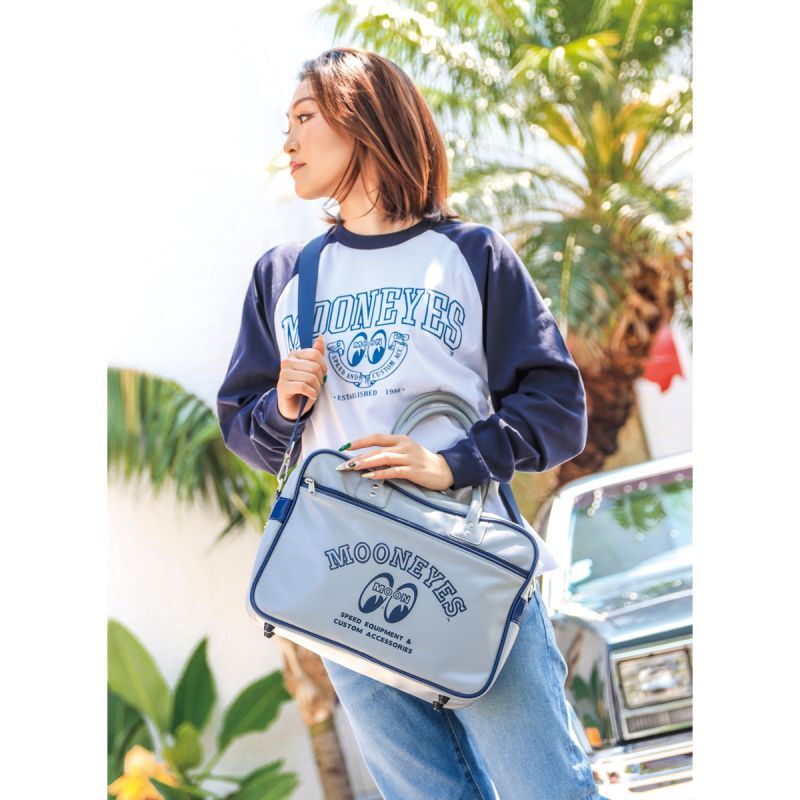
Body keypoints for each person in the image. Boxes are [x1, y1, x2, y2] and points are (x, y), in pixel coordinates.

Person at [217, 47, 608, 800]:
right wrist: (283, 405)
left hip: (469, 570)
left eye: (304, 118)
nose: (288, 141)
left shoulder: (471, 255)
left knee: (547, 788)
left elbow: (557, 409)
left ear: (362, 119)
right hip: (340, 582)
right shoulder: (285, 275)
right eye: (286, 124)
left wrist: (451, 462)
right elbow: (246, 424)